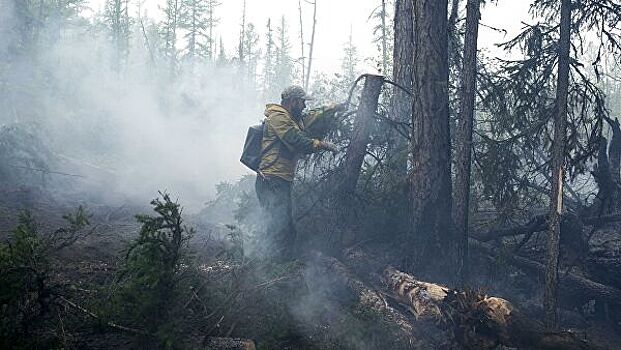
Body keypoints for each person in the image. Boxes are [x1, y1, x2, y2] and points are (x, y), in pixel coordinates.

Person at [255, 85, 345, 262]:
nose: (304, 106)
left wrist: (332, 107)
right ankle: (273, 269)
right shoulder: (278, 117)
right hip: (271, 180)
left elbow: (310, 117)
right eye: (302, 102)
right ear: (293, 102)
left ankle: (279, 268)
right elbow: (295, 140)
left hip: (280, 179)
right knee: (279, 228)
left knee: (285, 227)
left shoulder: (291, 117)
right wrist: (322, 145)